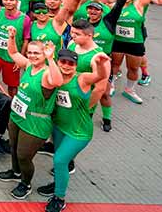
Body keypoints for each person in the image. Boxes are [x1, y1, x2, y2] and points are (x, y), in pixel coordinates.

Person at [37, 47, 110, 212]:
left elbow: (100, 76)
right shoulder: (53, 77)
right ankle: (57, 184)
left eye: (71, 63)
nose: (67, 65)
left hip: (79, 132)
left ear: (76, 66)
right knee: (59, 158)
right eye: (63, 61)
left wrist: (100, 64)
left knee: (60, 161)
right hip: (58, 127)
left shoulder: (82, 79)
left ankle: (59, 198)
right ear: (57, 62)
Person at [0, 29, 61, 200]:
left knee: (24, 155)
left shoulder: (47, 72)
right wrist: (12, 37)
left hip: (35, 122)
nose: (32, 56)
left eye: (37, 53)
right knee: (13, 147)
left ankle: (25, 184)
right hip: (18, 116)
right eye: (30, 52)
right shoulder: (28, 66)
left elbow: (57, 81)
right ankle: (15, 172)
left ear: (44, 53)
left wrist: (50, 58)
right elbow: (12, 52)